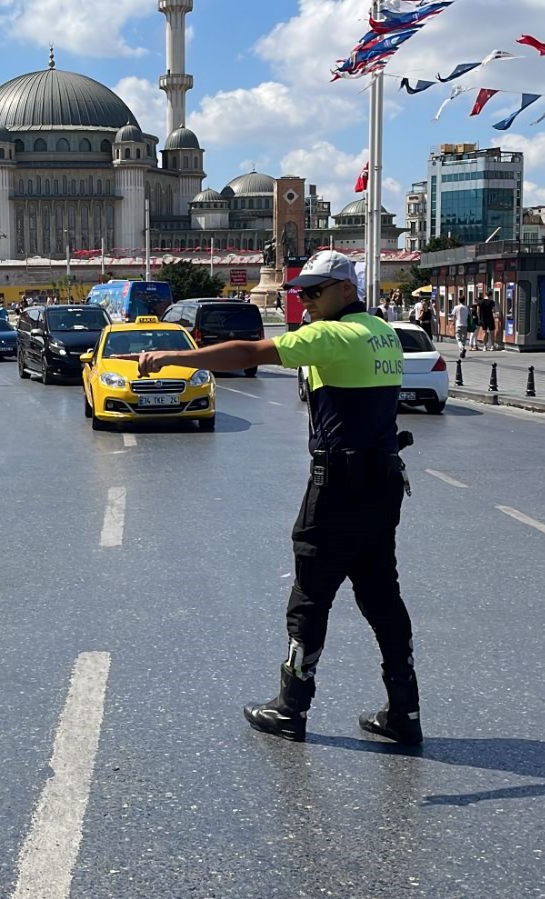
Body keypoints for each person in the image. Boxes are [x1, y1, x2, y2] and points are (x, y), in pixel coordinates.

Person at [114, 250, 421, 746]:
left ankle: (290, 707)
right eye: (302, 293)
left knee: (310, 595)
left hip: (339, 486)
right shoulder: (381, 332)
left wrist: (172, 356)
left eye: (316, 292)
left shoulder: (331, 336)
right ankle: (405, 712)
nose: (307, 302)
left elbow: (247, 353)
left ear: (346, 289)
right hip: (382, 483)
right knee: (382, 595)